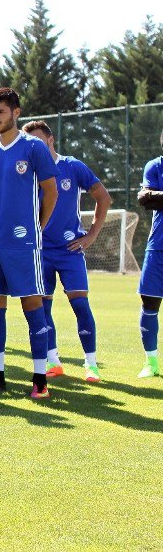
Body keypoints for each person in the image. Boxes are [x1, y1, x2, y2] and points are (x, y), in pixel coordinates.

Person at [0, 88, 58, 398]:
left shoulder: (34, 147)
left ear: (16, 113)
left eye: (0, 112)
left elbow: (51, 191)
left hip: (23, 243)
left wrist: (37, 228)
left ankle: (40, 380)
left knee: (33, 307)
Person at [22, 120, 112, 382]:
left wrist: (92, 234)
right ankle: (53, 361)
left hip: (69, 249)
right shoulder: (28, 172)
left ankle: (91, 364)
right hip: (39, 252)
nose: (34, 146)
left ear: (50, 140)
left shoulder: (72, 166)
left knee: (80, 305)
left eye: (38, 140)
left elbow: (103, 197)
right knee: (42, 308)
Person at [136, 131, 163, 379]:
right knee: (150, 302)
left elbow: (153, 197)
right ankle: (151, 362)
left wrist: (157, 196)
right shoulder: (155, 166)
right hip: (158, 247)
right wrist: (152, 197)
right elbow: (145, 199)